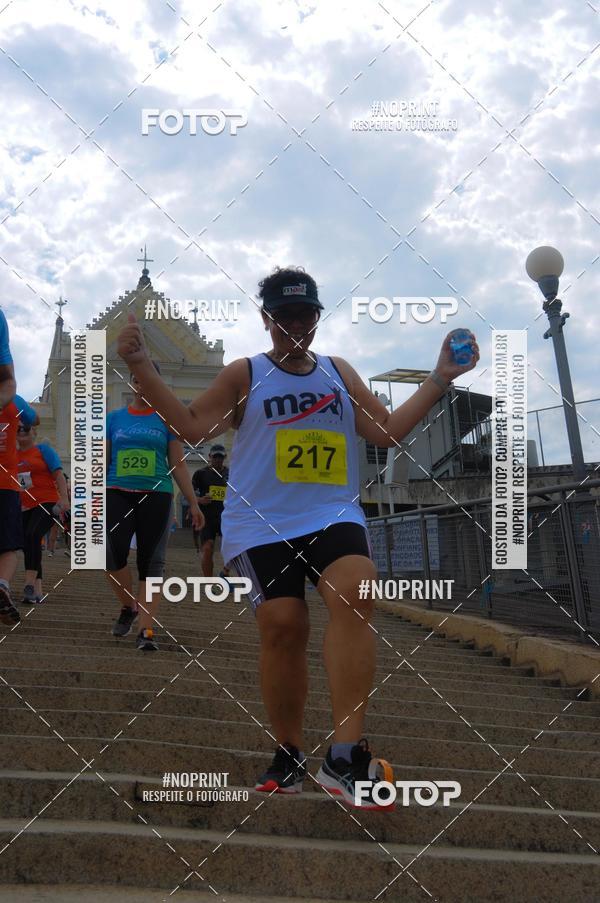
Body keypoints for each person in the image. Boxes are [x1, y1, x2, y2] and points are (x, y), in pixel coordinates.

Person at [116, 266, 479, 806]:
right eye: (282, 316)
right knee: (284, 626)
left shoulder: (337, 371)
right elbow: (192, 427)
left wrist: (439, 377)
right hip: (261, 523)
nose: (294, 325)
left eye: (304, 314)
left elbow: (385, 432)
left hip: (332, 514)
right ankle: (287, 752)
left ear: (316, 316)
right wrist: (141, 365)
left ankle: (343, 756)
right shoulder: (245, 373)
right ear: (265, 319)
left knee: (357, 591)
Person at [106, 363, 204, 651]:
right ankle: (128, 606)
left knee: (152, 562)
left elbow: (177, 463)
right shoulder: (114, 419)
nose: (141, 384)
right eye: (137, 379)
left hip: (157, 494)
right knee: (111, 552)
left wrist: (193, 503)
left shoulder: (166, 420)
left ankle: (145, 630)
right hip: (117, 490)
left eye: (148, 380)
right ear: (133, 382)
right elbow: (103, 460)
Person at [0, 308, 39, 625]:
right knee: (10, 545)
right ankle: (2, 585)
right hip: (7, 483)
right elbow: (35, 420)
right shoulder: (15, 402)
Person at [16, 426, 69, 604]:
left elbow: (59, 475)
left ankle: (29, 583)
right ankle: (36, 592)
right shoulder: (13, 455)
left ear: (34, 432)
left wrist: (64, 498)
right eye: (17, 428)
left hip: (47, 501)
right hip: (24, 506)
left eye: (26, 428)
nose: (21, 431)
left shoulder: (43, 450)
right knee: (28, 543)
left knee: (33, 535)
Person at [192, 444, 232, 590]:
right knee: (208, 548)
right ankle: (209, 584)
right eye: (215, 457)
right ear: (209, 457)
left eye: (220, 457)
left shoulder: (232, 473)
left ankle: (225, 573)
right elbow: (189, 493)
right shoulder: (200, 474)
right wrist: (200, 500)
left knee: (236, 548)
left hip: (227, 518)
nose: (217, 460)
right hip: (207, 518)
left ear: (224, 457)